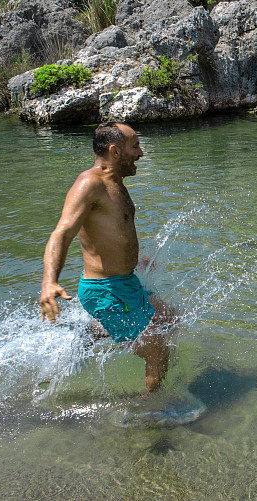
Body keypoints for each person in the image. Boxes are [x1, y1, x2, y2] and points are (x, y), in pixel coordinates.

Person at [39, 122, 176, 394]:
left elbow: (111, 231)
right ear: (115, 151)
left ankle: (93, 333)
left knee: (170, 317)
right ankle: (150, 411)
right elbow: (63, 231)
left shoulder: (116, 184)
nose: (141, 153)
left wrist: (134, 256)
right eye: (135, 146)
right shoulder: (89, 184)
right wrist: (48, 281)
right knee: (158, 349)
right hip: (106, 290)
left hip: (125, 282)